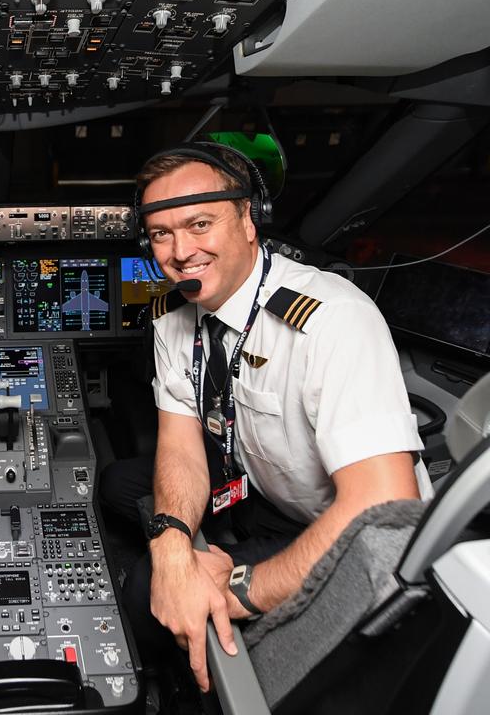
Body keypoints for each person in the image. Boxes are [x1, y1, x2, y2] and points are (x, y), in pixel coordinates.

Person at [99, 142, 429, 693]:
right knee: (116, 484)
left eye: (200, 223)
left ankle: (172, 688)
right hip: (259, 486)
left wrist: (234, 589)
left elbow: (383, 507)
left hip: (344, 528)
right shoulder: (175, 319)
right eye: (161, 234)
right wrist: (173, 543)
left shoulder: (332, 319)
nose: (181, 251)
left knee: (143, 594)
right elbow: (180, 445)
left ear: (249, 220)